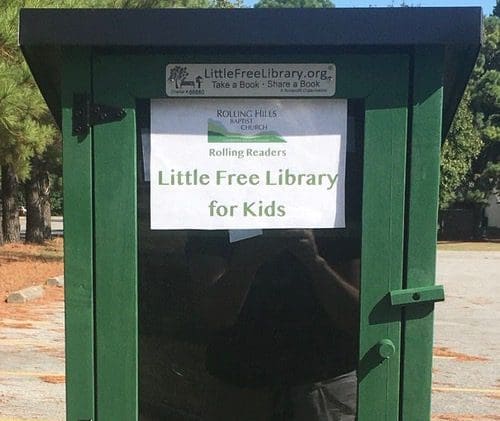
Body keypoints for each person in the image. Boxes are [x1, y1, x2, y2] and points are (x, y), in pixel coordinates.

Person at [186, 228, 360, 421]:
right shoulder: (215, 209)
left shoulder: (338, 208)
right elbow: (213, 316)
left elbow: (357, 317)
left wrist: (314, 262)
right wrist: (250, 258)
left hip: (326, 385)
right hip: (239, 385)